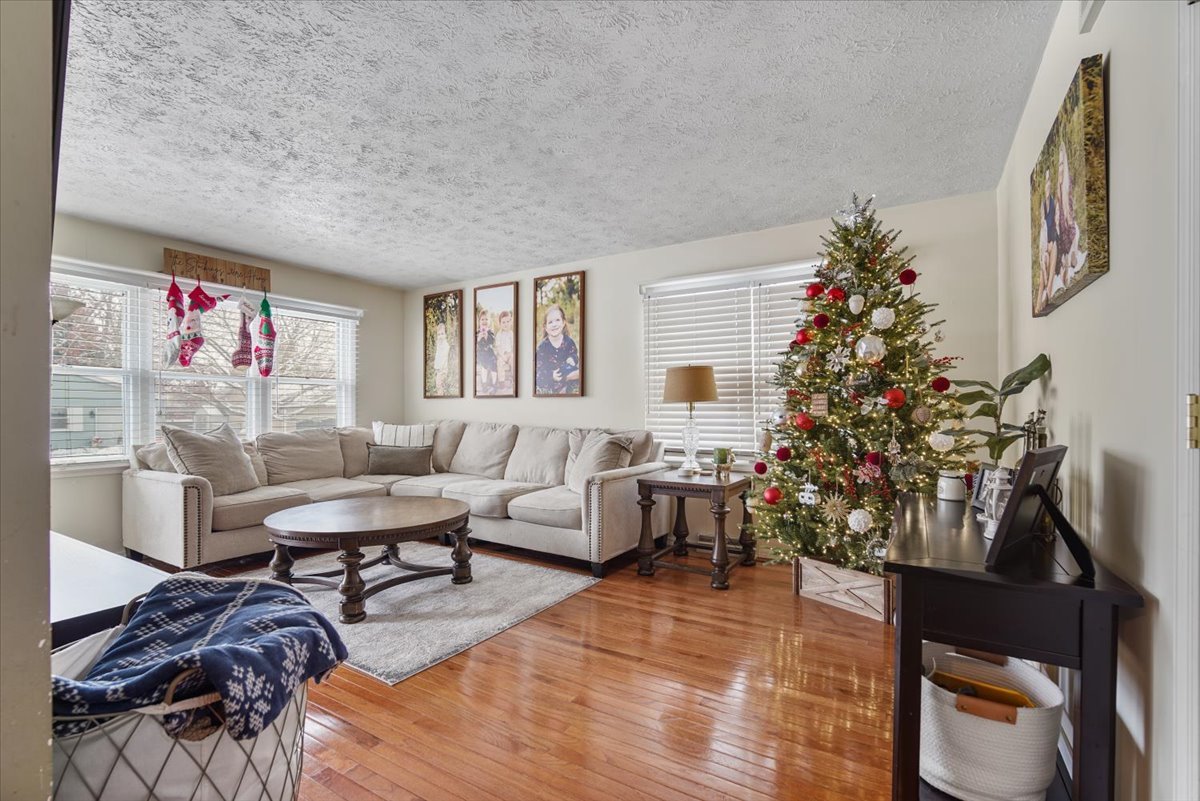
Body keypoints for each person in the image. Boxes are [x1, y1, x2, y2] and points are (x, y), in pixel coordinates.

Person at [535, 304, 580, 395]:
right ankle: (561, 387)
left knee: (579, 373)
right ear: (545, 327)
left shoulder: (569, 341)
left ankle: (566, 385)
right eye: (550, 322)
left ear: (563, 323)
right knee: (542, 378)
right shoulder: (542, 347)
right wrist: (551, 375)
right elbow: (539, 369)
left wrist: (572, 358)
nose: (554, 324)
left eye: (557, 320)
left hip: (567, 372)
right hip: (551, 378)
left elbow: (574, 354)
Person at [475, 309, 497, 394]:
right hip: (481, 354)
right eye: (482, 319)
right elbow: (475, 343)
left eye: (486, 319)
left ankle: (494, 385)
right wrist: (479, 338)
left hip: (490, 353)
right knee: (483, 366)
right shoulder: (477, 332)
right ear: (479, 321)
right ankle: (484, 384)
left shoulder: (490, 331)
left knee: (493, 365)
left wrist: (487, 336)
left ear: (490, 321)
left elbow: (492, 340)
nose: (484, 321)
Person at [494, 310, 514, 393]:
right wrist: (502, 355)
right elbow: (498, 347)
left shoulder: (511, 333)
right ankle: (501, 381)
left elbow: (513, 346)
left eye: (507, 321)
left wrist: (510, 354)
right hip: (502, 354)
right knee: (499, 363)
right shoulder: (499, 334)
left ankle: (513, 378)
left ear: (511, 322)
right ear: (500, 324)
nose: (506, 324)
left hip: (510, 354)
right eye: (503, 322)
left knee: (513, 360)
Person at [433, 321, 450, 394]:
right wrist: (436, 368)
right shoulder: (439, 345)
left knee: (439, 384)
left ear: (445, 335)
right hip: (438, 369)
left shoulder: (445, 345)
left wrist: (441, 369)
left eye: (442, 334)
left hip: (442, 369)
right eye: (439, 334)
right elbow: (437, 357)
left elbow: (444, 357)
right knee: (439, 385)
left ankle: (440, 395)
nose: (440, 336)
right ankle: (440, 394)